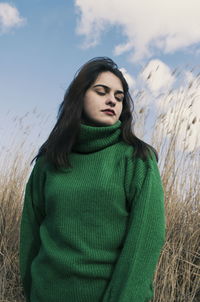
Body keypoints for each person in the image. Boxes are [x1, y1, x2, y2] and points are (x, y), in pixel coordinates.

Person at [19, 57, 166, 302]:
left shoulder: (136, 158)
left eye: (119, 97)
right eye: (102, 91)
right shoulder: (48, 161)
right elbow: (30, 234)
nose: (112, 100)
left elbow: (145, 242)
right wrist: (32, 292)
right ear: (79, 96)